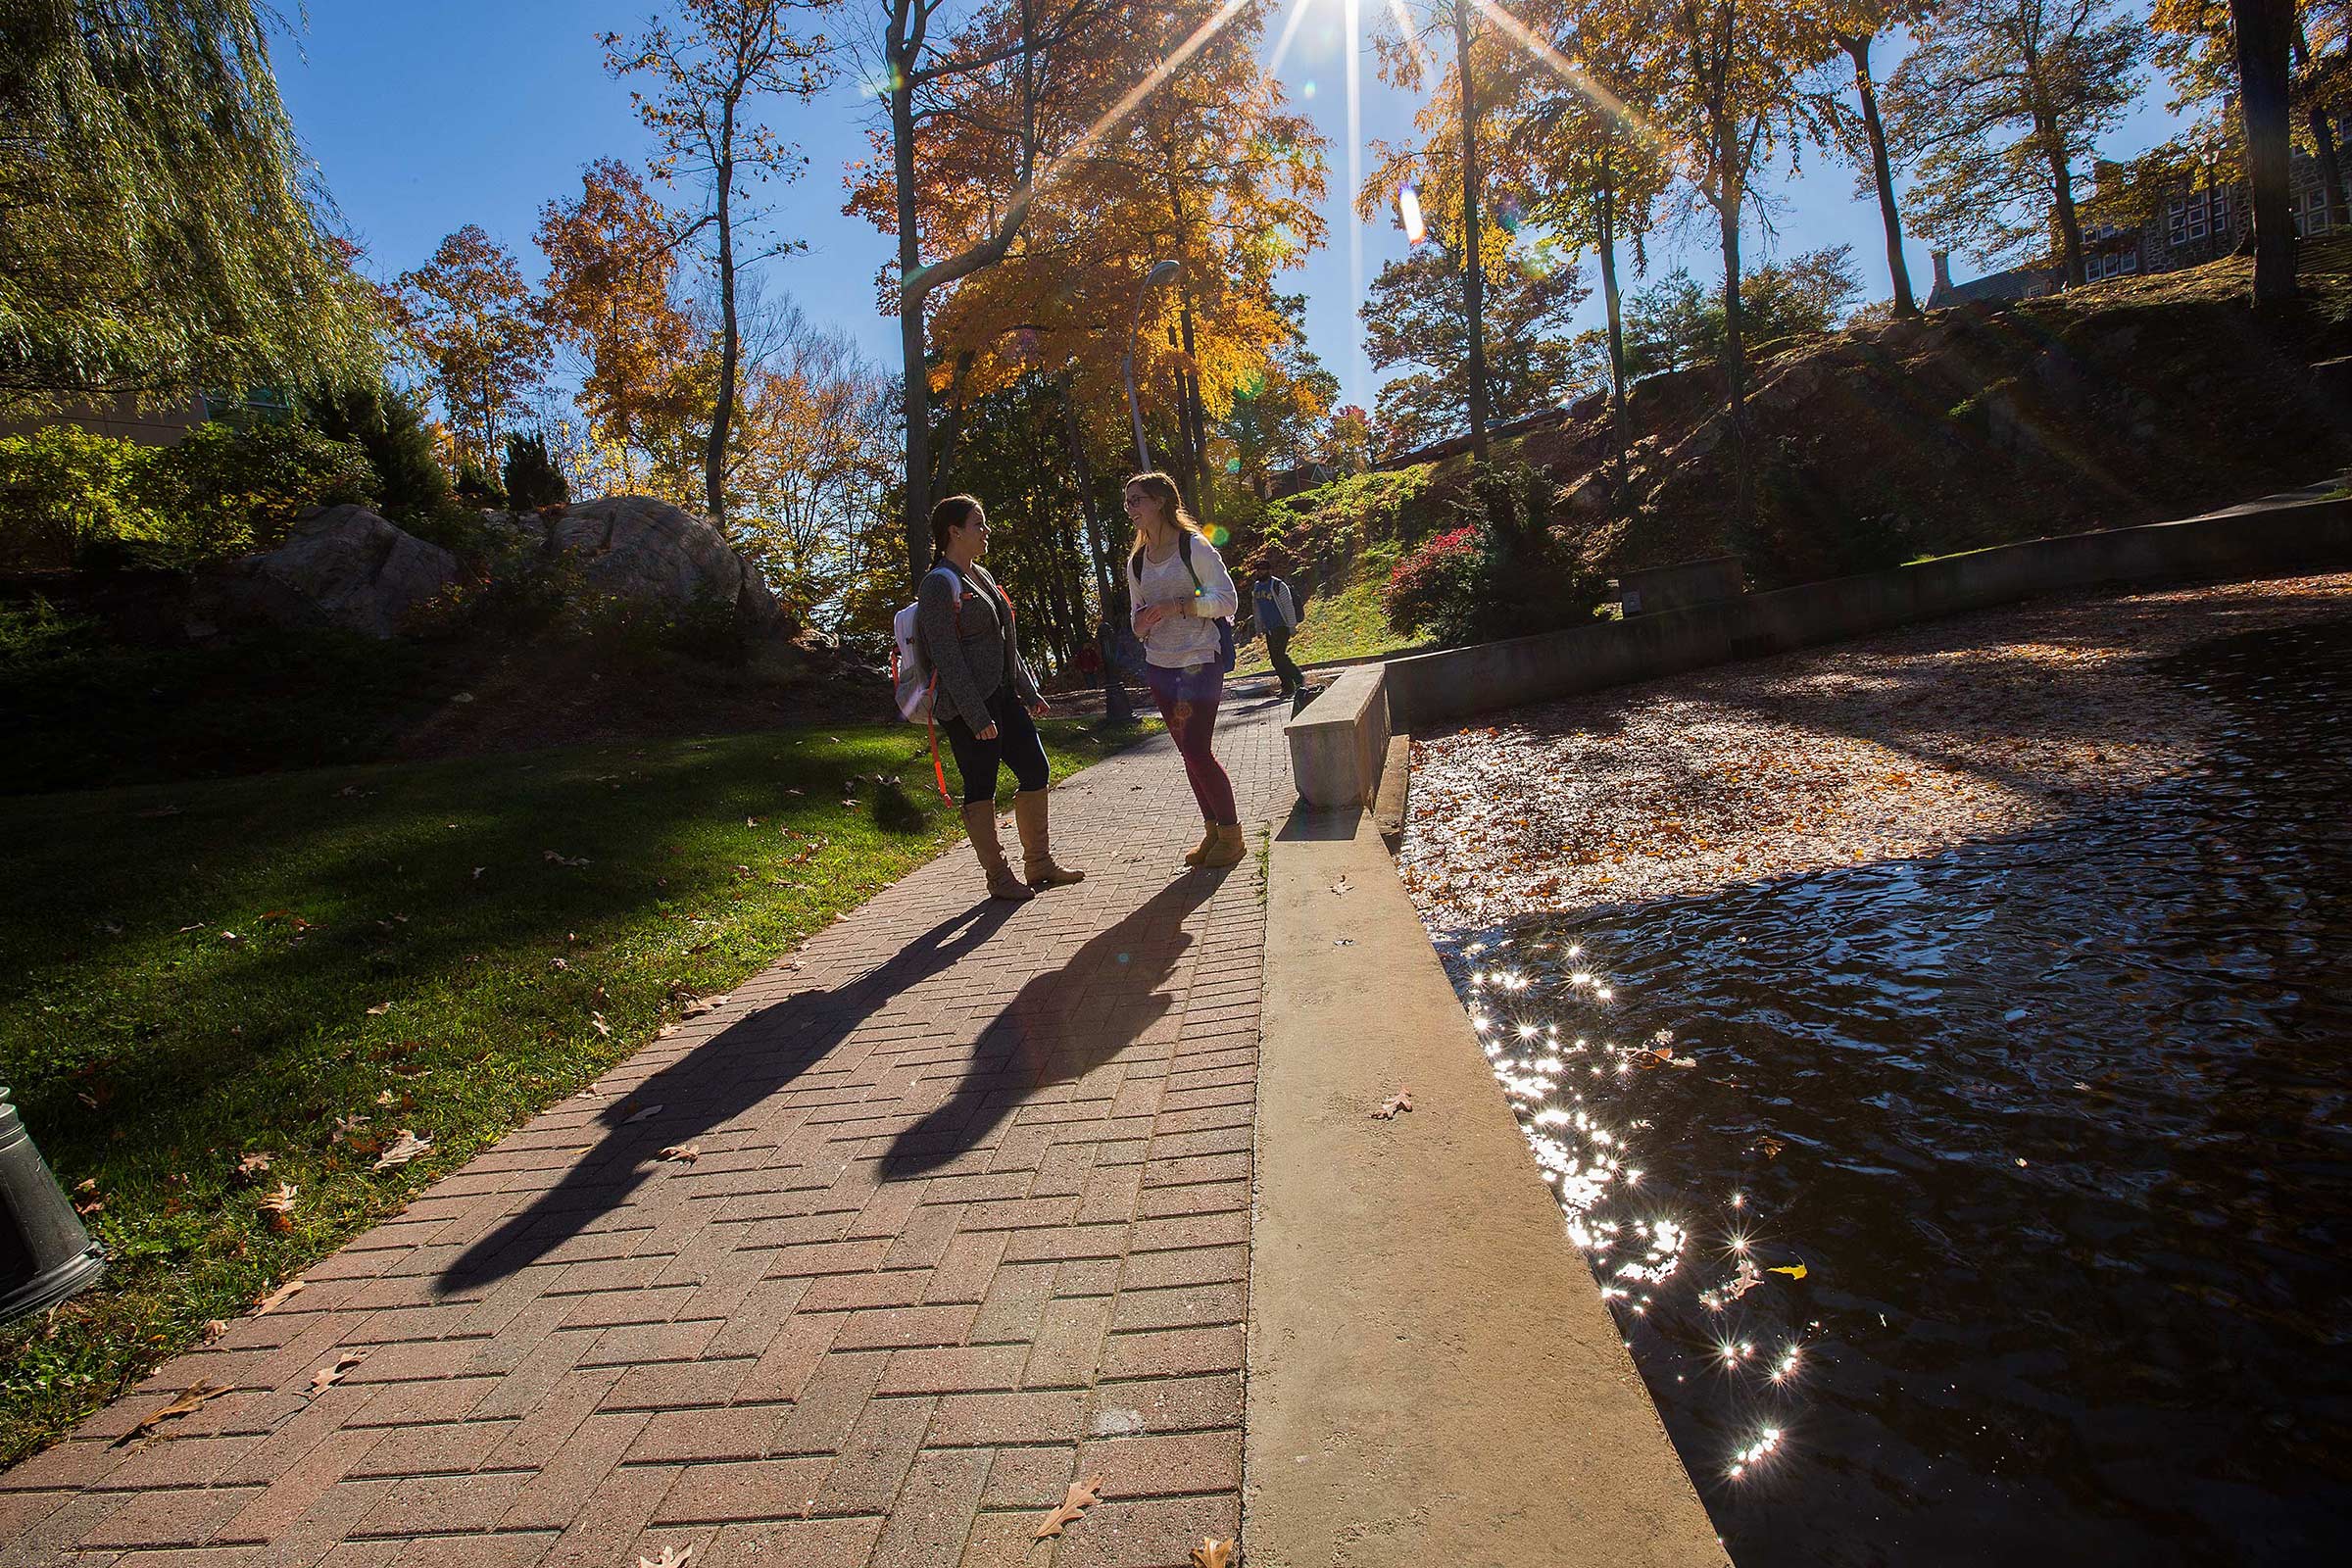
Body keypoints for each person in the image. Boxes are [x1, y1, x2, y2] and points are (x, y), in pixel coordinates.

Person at [917, 494, 1084, 901]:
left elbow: (1006, 641)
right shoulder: (938, 583)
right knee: (981, 786)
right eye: (979, 524)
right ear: (954, 532)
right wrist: (975, 715)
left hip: (1004, 694)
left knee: (1034, 768)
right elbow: (947, 655)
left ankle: (1039, 864)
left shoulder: (983, 576)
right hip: (968, 704)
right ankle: (998, 876)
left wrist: (1028, 691)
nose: (986, 531)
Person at [1124, 470, 1246, 868]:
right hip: (1160, 666)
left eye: (1136, 499)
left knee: (1197, 749)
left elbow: (1227, 600)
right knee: (1188, 753)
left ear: (1159, 501)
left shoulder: (1193, 546)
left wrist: (1182, 607)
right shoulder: (1137, 561)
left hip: (1199, 660)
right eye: (1128, 502)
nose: (1130, 508)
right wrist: (1142, 624)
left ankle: (1232, 835)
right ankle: (1213, 832)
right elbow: (1134, 619)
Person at [1249, 554, 1306, 697]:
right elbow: (1257, 609)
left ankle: (1297, 679)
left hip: (1281, 626)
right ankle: (1288, 685)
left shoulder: (1278, 585)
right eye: (1258, 570)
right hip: (1269, 628)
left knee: (1279, 656)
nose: (1259, 572)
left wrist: (1292, 626)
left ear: (1269, 570)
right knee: (1275, 659)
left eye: (1262, 569)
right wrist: (1259, 628)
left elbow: (1288, 606)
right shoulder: (1257, 587)